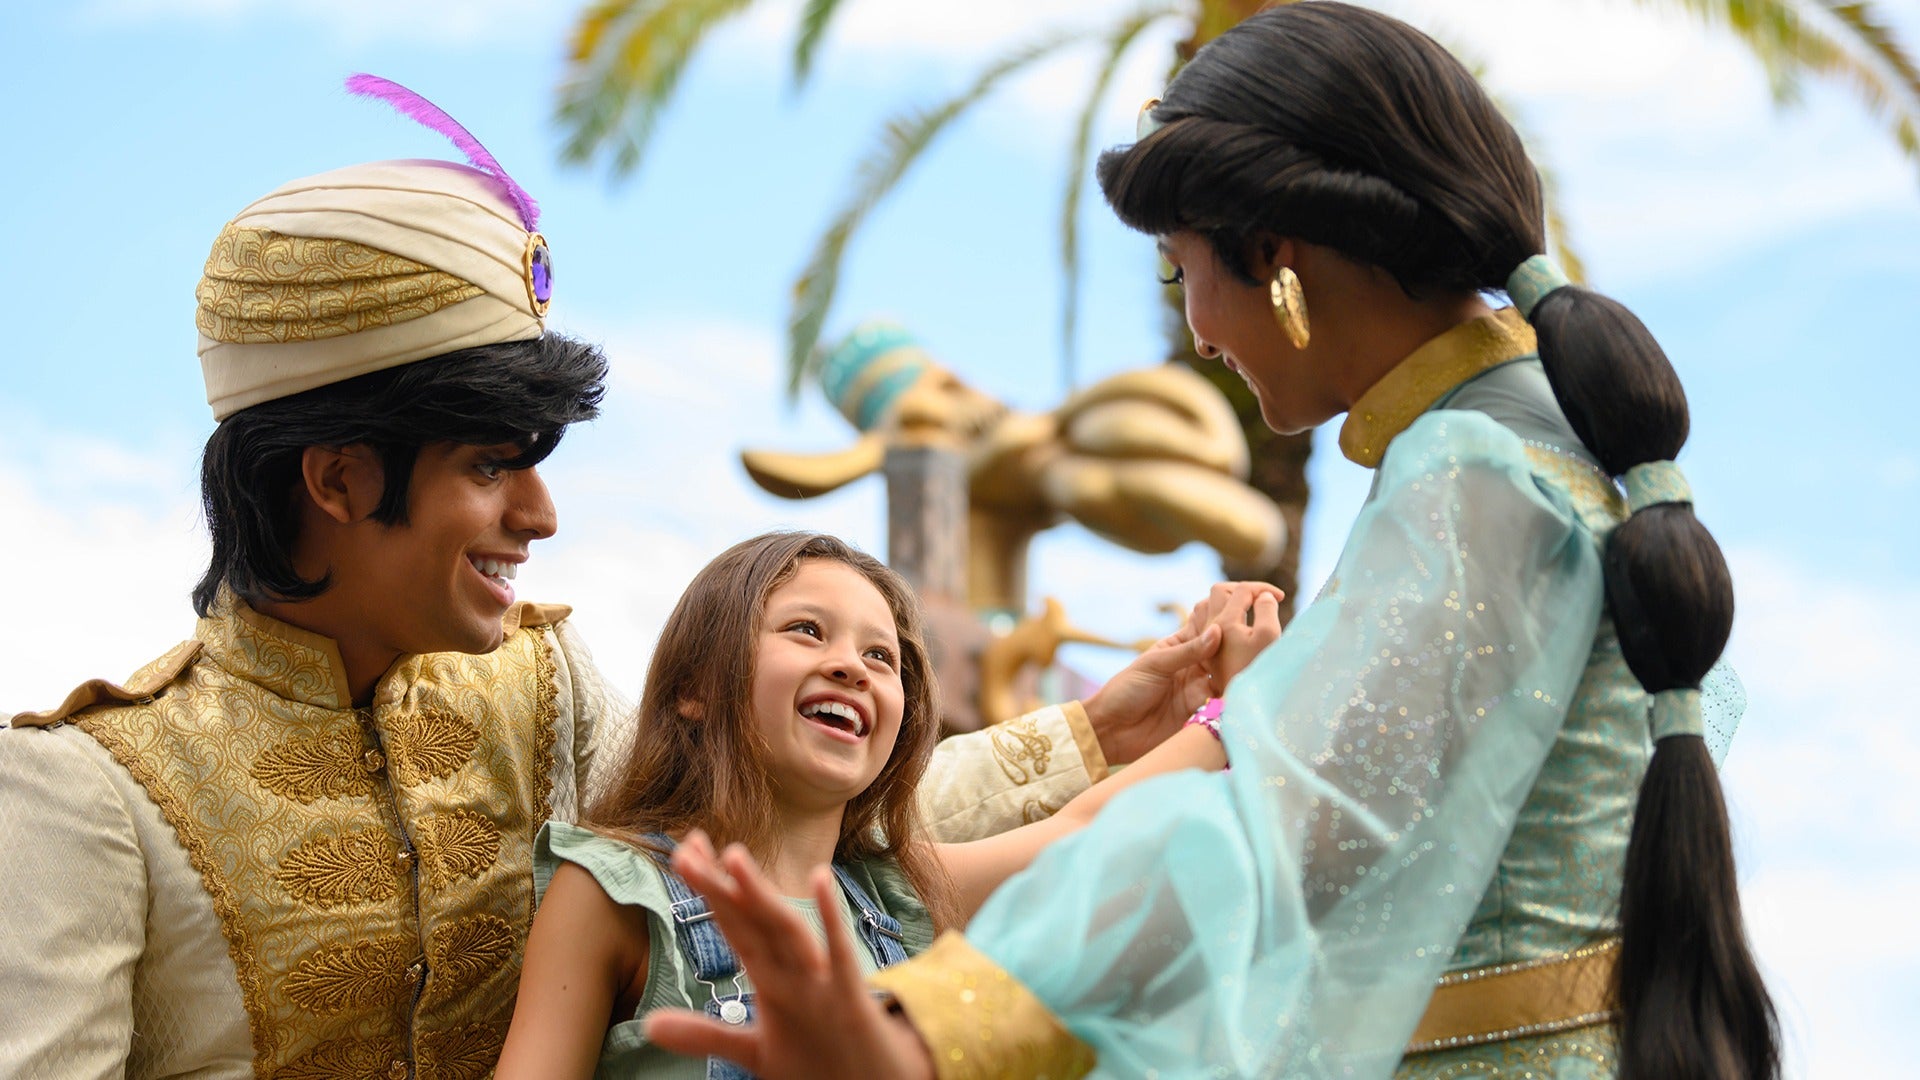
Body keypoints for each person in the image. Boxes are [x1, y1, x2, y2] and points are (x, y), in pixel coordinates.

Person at [632, 5, 1780, 1079]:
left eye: (1184, 271)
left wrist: (928, 1033)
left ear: (1279, 259)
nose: (1195, 329)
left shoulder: (1472, 472)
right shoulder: (1545, 444)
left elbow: (1272, 839)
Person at [0, 80, 1193, 1080]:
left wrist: (1087, 735)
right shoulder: (85, 793)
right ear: (340, 479)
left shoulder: (539, 682)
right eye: (490, 467)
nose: (541, 515)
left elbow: (770, 817)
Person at [494, 531, 1282, 1079]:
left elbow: (1084, 827)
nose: (852, 667)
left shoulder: (892, 896)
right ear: (695, 689)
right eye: (807, 631)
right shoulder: (613, 889)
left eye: (882, 656)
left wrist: (1227, 712)